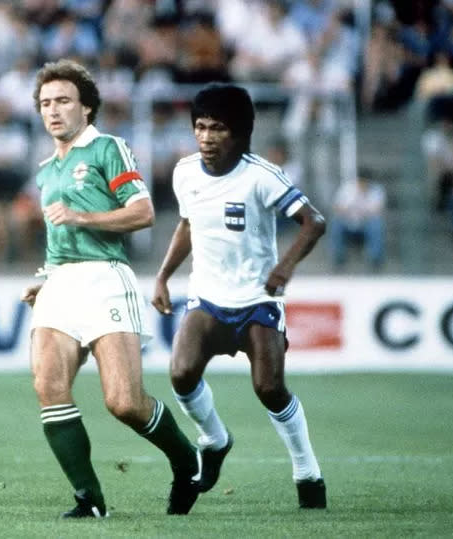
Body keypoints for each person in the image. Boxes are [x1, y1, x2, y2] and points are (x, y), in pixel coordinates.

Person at [21, 59, 201, 519]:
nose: (53, 111)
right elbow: (59, 238)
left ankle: (186, 461)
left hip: (105, 278)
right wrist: (45, 279)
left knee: (124, 403)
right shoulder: (46, 170)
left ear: (87, 108)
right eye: (45, 103)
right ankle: (89, 498)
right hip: (61, 283)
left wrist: (84, 217)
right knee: (48, 385)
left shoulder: (107, 148)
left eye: (63, 101)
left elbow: (142, 212)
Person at [151, 83, 328, 509]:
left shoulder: (260, 176)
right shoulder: (185, 171)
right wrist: (162, 276)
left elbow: (314, 221)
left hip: (256, 300)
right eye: (200, 127)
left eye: (217, 129)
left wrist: (283, 268)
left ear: (240, 133)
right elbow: (188, 225)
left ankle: (307, 472)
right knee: (180, 373)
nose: (206, 138)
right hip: (208, 298)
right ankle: (214, 440)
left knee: (269, 388)